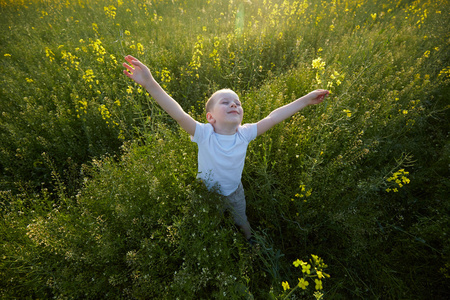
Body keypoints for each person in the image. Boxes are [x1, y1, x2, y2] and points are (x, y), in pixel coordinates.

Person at [122, 55, 329, 244]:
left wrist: (305, 100)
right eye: (226, 102)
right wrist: (149, 83)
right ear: (210, 117)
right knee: (207, 222)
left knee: (242, 219)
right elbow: (178, 113)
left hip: (234, 191)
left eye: (238, 103)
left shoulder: (244, 133)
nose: (234, 105)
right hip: (207, 193)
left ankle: (249, 239)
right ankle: (209, 243)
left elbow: (273, 117)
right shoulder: (204, 134)